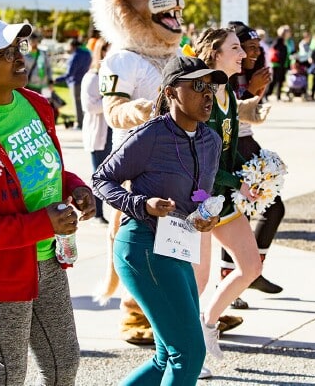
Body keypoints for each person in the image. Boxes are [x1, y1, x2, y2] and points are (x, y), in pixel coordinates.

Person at [0, 16, 95, 386]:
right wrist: (44, 223)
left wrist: (73, 187)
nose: (18, 58)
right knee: (6, 379)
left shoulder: (35, 104)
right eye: (5, 53)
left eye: (18, 48)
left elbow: (43, 169)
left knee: (63, 366)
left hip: (47, 260)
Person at [93, 55, 226, 386]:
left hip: (178, 247)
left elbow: (198, 196)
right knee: (190, 354)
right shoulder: (151, 135)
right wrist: (140, 203)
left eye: (211, 86)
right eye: (197, 86)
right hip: (142, 247)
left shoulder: (212, 140)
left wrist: (206, 214)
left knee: (169, 355)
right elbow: (101, 179)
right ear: (170, 93)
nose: (207, 94)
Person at [193, 27, 263, 361]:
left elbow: (229, 149)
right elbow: (201, 162)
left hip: (224, 192)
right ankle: (189, 348)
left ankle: (208, 322)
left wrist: (253, 174)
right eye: (235, 48)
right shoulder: (201, 92)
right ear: (215, 53)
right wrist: (237, 182)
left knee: (251, 267)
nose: (244, 53)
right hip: (198, 197)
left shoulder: (230, 94)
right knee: (199, 278)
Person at [225, 22, 283, 308]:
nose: (252, 53)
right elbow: (227, 116)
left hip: (248, 143)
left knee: (273, 207)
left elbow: (253, 116)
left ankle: (252, 270)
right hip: (230, 148)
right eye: (245, 47)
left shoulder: (251, 72)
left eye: (256, 48)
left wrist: (257, 90)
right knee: (237, 213)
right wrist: (253, 92)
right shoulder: (222, 73)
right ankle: (231, 284)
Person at [82, 38, 112, 224]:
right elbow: (90, 106)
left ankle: (102, 210)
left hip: (111, 130)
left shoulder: (112, 77)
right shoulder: (92, 77)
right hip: (98, 131)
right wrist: (111, 101)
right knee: (99, 172)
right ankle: (97, 211)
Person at [55, 38, 91, 129]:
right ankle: (85, 123)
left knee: (77, 104)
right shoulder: (87, 53)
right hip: (85, 81)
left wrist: (56, 80)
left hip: (75, 83)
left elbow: (69, 74)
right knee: (84, 103)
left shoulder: (75, 56)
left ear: (71, 46)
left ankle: (80, 124)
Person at [266, 25, 295, 101]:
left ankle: (278, 96)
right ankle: (267, 94)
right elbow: (273, 48)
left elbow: (290, 51)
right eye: (288, 31)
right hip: (277, 64)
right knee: (275, 80)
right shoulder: (279, 40)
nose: (289, 33)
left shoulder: (288, 41)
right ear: (284, 32)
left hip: (284, 64)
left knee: (281, 80)